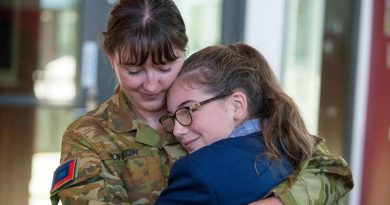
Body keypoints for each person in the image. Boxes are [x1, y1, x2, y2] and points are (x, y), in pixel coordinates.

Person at [49, 0, 353, 204]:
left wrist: (278, 202)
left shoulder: (212, 98)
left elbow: (330, 170)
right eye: (134, 70)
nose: (152, 84)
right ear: (111, 58)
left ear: (184, 51)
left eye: (165, 68)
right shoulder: (89, 138)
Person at [154, 43, 353, 204]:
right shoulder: (291, 144)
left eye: (188, 110)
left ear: (237, 105)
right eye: (172, 118)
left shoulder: (198, 172)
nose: (178, 130)